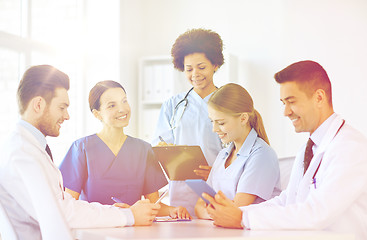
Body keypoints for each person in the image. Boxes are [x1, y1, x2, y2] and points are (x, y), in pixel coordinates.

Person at [202, 61, 367, 240]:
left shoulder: (351, 147)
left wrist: (243, 218)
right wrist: (237, 212)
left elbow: (318, 212)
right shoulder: (308, 148)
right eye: (283, 103)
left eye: (291, 102)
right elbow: (287, 200)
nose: (286, 112)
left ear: (319, 97)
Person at [0, 65, 161, 239]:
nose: (67, 115)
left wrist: (114, 212)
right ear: (38, 104)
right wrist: (128, 216)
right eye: (62, 108)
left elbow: (65, 205)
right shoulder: (22, 153)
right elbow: (62, 213)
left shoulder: (28, 147)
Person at [59, 80, 191, 219]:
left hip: (134, 230)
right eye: (112, 105)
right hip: (96, 230)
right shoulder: (81, 148)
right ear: (97, 114)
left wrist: (172, 210)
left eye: (124, 101)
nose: (122, 109)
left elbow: (153, 204)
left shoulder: (143, 150)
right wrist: (112, 213)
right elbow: (69, 205)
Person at [152, 28, 224, 216]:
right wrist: (164, 150)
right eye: (188, 69)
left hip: (218, 187)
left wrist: (218, 173)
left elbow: (238, 148)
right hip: (181, 190)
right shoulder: (172, 105)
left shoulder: (228, 102)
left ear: (215, 64)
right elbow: (161, 146)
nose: (195, 74)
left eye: (201, 67)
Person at [195, 83, 281, 219]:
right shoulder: (223, 154)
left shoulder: (262, 155)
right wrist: (215, 212)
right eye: (212, 121)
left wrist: (210, 209)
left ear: (243, 118)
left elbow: (237, 209)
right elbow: (199, 206)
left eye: (221, 123)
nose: (214, 129)